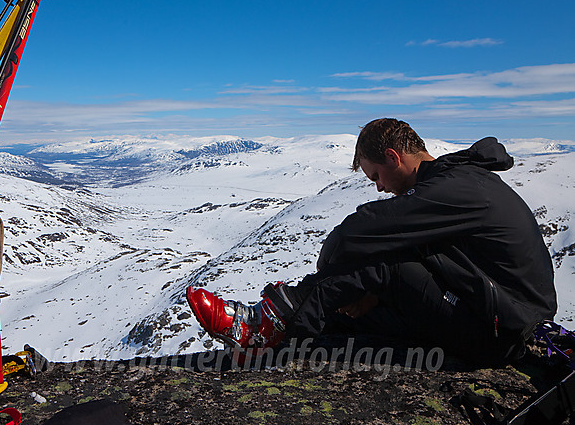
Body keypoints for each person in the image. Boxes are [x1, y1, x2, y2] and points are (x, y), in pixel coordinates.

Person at [187, 118, 557, 364]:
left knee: (386, 258)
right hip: (495, 317)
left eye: (376, 175)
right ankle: (282, 341)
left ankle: (266, 324)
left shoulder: (455, 189)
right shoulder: (457, 182)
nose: (379, 186)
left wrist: (333, 268)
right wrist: (371, 295)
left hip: (498, 332)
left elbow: (357, 234)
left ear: (393, 157)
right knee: (345, 317)